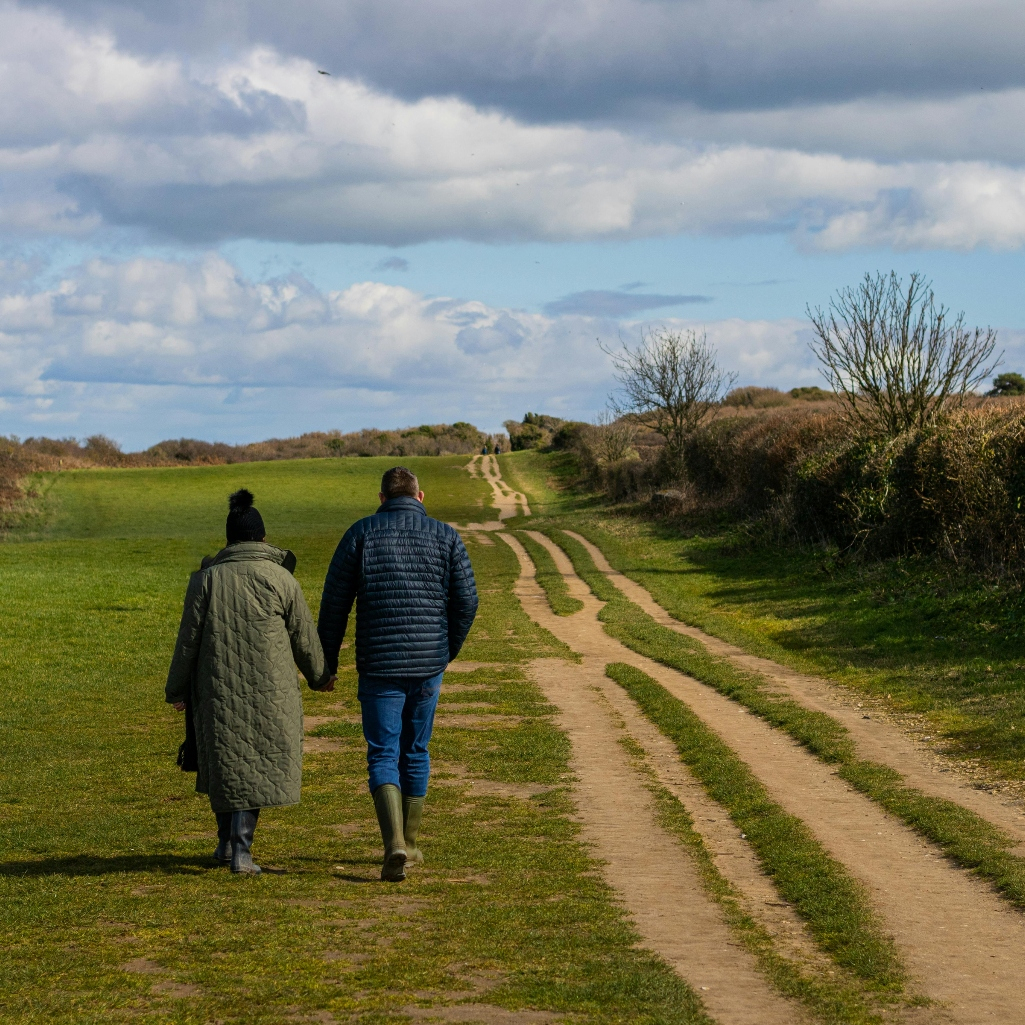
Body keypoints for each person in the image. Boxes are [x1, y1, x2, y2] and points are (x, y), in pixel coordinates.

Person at [318, 466, 478, 881]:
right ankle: (412, 841)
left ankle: (394, 845)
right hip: (428, 665)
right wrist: (445, 651)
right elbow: (467, 603)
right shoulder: (446, 536)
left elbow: (334, 605)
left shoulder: (361, 533)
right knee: (417, 750)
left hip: (379, 667)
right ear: (419, 497)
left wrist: (326, 663)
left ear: (382, 497)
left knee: (383, 752)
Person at [166, 489, 334, 875]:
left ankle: (227, 844)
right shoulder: (281, 578)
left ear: (228, 540)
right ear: (262, 538)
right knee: (253, 765)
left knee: (226, 761)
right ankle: (241, 853)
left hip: (216, 690)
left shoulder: (205, 579)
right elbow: (303, 637)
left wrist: (176, 689)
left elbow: (187, 640)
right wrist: (320, 677)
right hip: (271, 692)